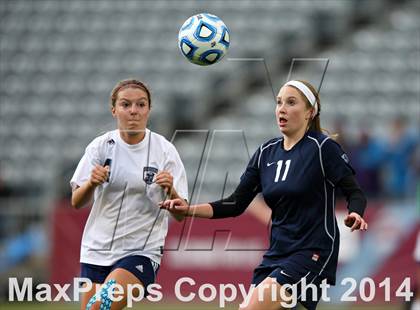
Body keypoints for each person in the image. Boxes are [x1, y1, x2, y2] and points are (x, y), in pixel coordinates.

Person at [161, 80, 368, 310]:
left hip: (312, 251)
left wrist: (356, 213)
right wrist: (188, 209)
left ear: (310, 112)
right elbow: (236, 203)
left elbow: (354, 192)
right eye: (279, 102)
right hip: (277, 254)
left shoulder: (322, 148)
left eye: (291, 102)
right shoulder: (265, 153)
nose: (282, 108)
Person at [70, 79, 188, 310]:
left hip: (141, 250)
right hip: (97, 249)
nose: (133, 110)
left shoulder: (164, 150)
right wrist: (91, 184)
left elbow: (181, 213)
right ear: (114, 110)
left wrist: (171, 190)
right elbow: (76, 201)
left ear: (149, 110)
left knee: (99, 307)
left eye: (141, 104)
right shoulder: (101, 146)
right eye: (126, 104)